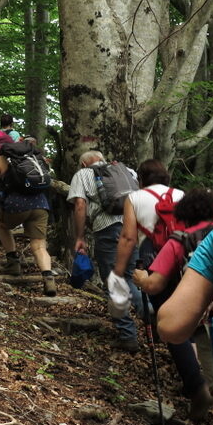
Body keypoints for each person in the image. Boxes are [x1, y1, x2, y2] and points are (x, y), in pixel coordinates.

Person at [132, 187, 213, 420]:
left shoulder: (180, 240)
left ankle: (200, 390)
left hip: (198, 309)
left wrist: (140, 279)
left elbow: (154, 284)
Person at [67, 150, 142, 353]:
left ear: (83, 164)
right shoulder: (127, 171)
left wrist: (80, 237)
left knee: (114, 281)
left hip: (108, 231)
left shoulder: (82, 175)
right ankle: (156, 317)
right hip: (133, 228)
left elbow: (80, 205)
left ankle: (128, 335)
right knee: (129, 277)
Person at [0, 140, 56, 296]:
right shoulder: (35, 158)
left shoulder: (1, 160)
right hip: (41, 204)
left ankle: (13, 261)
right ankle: (48, 277)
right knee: (39, 245)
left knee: (2, 225)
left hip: (16, 204)